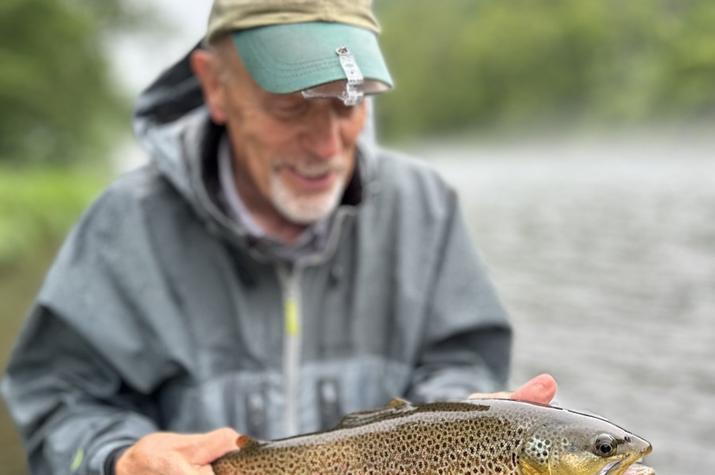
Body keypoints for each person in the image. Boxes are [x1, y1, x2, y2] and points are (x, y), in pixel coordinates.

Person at [1, 1, 557, 474]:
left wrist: (465, 429)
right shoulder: (123, 226)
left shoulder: (426, 208)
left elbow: (459, 361)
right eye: (291, 106)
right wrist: (115, 458)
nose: (325, 144)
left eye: (349, 100)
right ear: (214, 86)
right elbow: (57, 405)